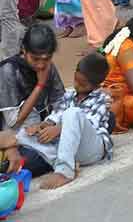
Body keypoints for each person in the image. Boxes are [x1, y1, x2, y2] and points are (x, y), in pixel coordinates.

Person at [17, 52, 114, 189]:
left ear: (97, 84)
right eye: (75, 80)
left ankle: (65, 172)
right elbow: (56, 114)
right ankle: (66, 162)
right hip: (69, 149)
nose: (77, 86)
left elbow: (89, 123)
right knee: (22, 134)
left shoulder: (102, 99)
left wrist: (59, 128)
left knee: (73, 113)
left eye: (82, 84)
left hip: (91, 150)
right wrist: (42, 126)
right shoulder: (69, 95)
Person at [0, 25, 64, 136]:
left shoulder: (48, 66)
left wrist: (50, 123)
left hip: (42, 126)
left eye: (47, 58)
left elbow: (61, 100)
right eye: (35, 59)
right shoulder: (8, 71)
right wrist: (40, 85)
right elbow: (14, 122)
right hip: (14, 134)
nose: (40, 65)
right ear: (24, 50)